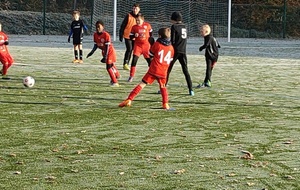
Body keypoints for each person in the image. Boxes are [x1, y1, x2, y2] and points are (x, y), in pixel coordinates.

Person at [119, 27, 174, 110]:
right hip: (163, 71)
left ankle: (129, 99)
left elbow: (150, 54)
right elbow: (170, 60)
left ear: (159, 36)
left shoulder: (157, 44)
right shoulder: (171, 48)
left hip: (154, 69)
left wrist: (152, 44)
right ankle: (165, 103)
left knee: (142, 84)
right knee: (163, 87)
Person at [165, 11, 194, 96]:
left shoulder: (174, 26)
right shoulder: (184, 26)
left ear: (174, 19)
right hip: (183, 51)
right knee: (186, 71)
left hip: (175, 51)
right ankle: (191, 89)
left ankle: (163, 86)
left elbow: (172, 40)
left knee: (168, 70)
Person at [86, 20, 120, 87]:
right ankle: (117, 75)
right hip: (104, 52)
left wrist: (105, 56)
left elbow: (107, 46)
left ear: (103, 27)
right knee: (111, 65)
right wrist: (91, 52)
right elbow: (96, 45)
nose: (97, 28)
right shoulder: (95, 35)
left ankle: (115, 82)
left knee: (108, 67)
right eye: (96, 27)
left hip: (109, 51)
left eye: (99, 26)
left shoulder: (106, 35)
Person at [127, 13, 153, 82]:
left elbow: (151, 34)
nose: (137, 22)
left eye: (138, 20)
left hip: (146, 46)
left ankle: (153, 75)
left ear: (142, 20)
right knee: (134, 60)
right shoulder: (134, 27)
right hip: (138, 46)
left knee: (150, 62)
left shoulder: (147, 25)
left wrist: (150, 42)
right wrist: (134, 35)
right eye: (136, 20)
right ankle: (131, 76)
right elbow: (130, 36)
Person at [119, 3, 140, 70]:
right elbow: (123, 25)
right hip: (127, 36)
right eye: (133, 8)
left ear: (139, 9)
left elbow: (141, 26)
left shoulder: (140, 17)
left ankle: (130, 64)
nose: (135, 10)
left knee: (133, 50)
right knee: (129, 49)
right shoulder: (128, 16)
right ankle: (125, 63)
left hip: (135, 36)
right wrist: (120, 34)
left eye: (136, 8)